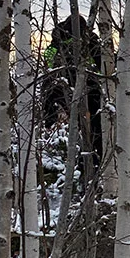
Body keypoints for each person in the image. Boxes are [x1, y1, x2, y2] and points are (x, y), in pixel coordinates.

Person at [43, 14, 104, 168]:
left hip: (64, 93)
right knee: (96, 133)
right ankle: (93, 164)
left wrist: (49, 113)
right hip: (90, 93)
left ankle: (85, 164)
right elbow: (104, 64)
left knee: (80, 132)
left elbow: (48, 71)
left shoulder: (54, 46)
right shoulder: (89, 43)